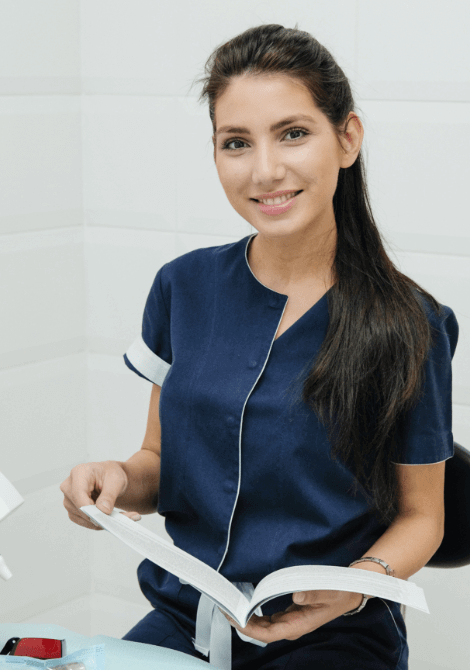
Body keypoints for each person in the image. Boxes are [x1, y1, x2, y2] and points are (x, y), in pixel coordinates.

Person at [60, 23, 459, 670]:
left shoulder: (411, 324)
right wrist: (116, 481)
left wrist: (358, 582)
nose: (265, 170)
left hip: (334, 635)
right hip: (186, 616)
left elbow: (424, 519)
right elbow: (160, 462)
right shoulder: (182, 288)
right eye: (236, 143)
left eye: (293, 133)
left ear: (347, 139)